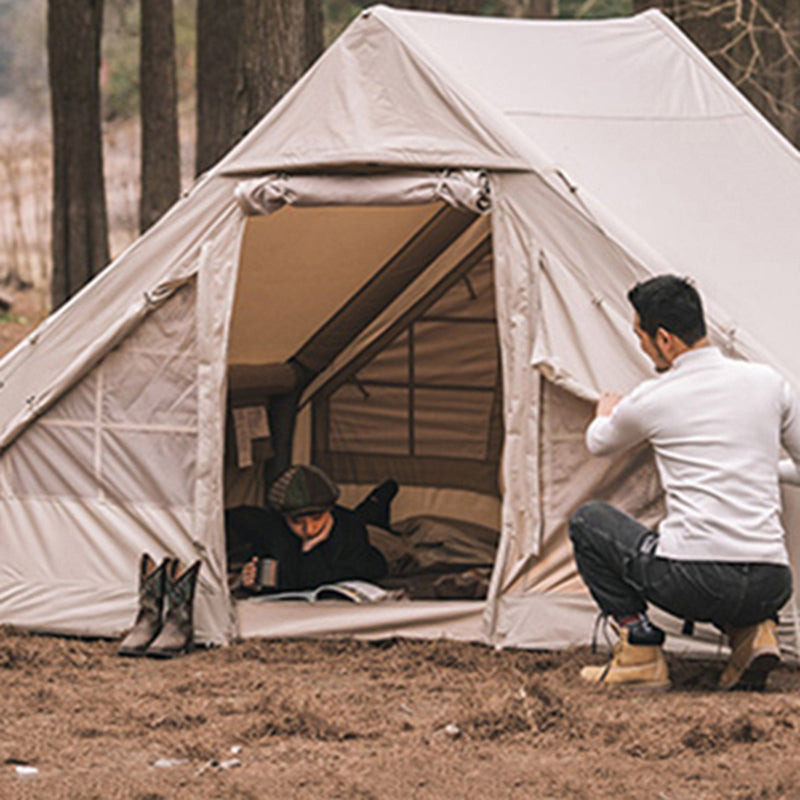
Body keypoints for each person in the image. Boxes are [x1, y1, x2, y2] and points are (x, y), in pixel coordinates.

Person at [568, 275, 800, 690]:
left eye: (640, 337)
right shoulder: (769, 384)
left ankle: (638, 650)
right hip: (771, 584)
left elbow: (598, 444)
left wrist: (604, 412)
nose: (641, 348)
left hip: (696, 582)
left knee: (588, 521)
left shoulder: (655, 396)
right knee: (729, 568)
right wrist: (765, 469)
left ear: (665, 338)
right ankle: (755, 633)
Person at [226, 465, 388, 593]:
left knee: (395, 546)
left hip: (375, 540)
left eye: (317, 519)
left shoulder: (351, 526)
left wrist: (310, 549)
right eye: (297, 522)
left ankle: (376, 504)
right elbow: (280, 580)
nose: (309, 528)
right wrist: (254, 582)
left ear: (329, 510)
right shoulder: (274, 532)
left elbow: (368, 571)